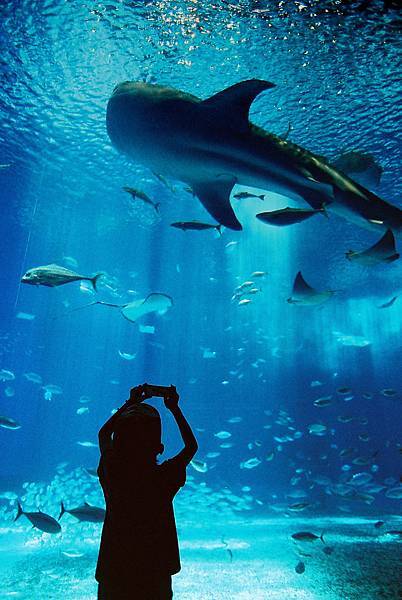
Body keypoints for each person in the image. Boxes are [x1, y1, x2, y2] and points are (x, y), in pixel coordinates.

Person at [95, 384, 198, 599]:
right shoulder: (164, 478)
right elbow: (191, 447)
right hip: (156, 571)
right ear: (159, 447)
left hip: (115, 569)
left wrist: (131, 402)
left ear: (118, 442)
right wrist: (174, 408)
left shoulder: (112, 470)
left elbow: (103, 434)